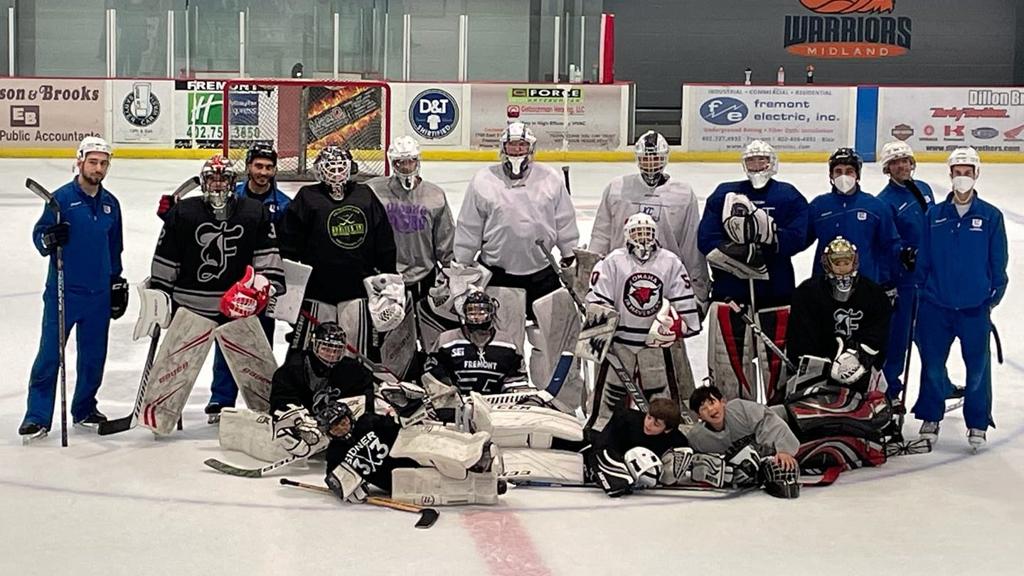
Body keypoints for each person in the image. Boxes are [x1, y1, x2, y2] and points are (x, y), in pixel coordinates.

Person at [149, 155, 285, 420]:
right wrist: (160, 294)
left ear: (233, 182)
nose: (218, 184)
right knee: (176, 365)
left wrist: (264, 286)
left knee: (255, 365)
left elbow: (267, 256)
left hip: (239, 306)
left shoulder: (254, 211)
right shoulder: (183, 211)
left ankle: (270, 410)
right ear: (203, 182)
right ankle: (161, 410)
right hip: (191, 305)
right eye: (212, 178)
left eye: (224, 178)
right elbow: (167, 257)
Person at [20, 137, 126, 441]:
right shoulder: (61, 200)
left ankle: (85, 409)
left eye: (103, 163)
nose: (98, 168)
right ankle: (37, 417)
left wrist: (115, 281)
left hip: (99, 296)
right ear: (80, 162)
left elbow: (115, 248)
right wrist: (49, 239)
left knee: (93, 358)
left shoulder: (111, 204)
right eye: (93, 162)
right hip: (64, 293)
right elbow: (40, 237)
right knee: (49, 356)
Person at [697, 140, 809, 404]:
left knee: (778, 372)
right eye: (752, 161)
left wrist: (770, 238)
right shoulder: (724, 194)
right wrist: (740, 253)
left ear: (772, 163)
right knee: (729, 370)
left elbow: (800, 236)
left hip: (776, 297)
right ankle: (734, 417)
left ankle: (779, 416)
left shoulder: (788, 195)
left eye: (762, 160)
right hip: (731, 298)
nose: (757, 166)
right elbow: (706, 239)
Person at [913, 147, 1008, 450]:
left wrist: (991, 297)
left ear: (976, 174)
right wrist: (923, 291)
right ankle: (930, 415)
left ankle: (978, 422)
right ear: (950, 174)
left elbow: (998, 264)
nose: (962, 177)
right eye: (958, 172)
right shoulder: (934, 215)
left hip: (973, 309)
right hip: (936, 307)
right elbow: (923, 260)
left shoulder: (990, 216)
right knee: (932, 365)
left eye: (967, 172)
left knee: (978, 368)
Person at [585, 213, 701, 430]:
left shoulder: (670, 261)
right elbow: (598, 298)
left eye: (647, 232)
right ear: (627, 235)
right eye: (637, 232)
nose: (643, 238)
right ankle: (603, 434)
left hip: (655, 345)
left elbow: (682, 299)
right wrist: (600, 330)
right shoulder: (612, 261)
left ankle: (665, 435)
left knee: (661, 397)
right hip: (620, 342)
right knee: (610, 398)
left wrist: (680, 324)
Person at [453, 121, 579, 320]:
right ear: (503, 147)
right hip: (497, 275)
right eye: (512, 145)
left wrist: (570, 254)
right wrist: (462, 261)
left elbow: (565, 220)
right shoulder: (483, 180)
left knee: (550, 331)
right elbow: (469, 226)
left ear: (531, 148)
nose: (517, 150)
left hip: (542, 272)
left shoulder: (550, 178)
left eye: (522, 145)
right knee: (503, 332)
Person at [277, 145, 397, 353]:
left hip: (358, 290)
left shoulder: (365, 195)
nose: (336, 173)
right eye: (330, 167)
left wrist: (388, 279)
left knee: (357, 353)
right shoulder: (307, 197)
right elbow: (288, 243)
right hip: (316, 292)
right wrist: (291, 287)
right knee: (311, 350)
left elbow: (384, 239)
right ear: (319, 170)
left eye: (340, 167)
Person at [207, 144, 293, 419]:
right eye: (258, 166)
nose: (263, 172)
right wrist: (172, 214)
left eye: (269, 167)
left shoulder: (284, 204)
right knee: (227, 337)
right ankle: (221, 399)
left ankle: (262, 398)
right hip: (231, 281)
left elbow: (289, 247)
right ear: (248, 167)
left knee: (260, 342)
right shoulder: (231, 196)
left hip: (263, 284)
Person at [590, 130, 710, 311]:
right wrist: (591, 276)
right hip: (620, 275)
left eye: (655, 159)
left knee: (665, 327)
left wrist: (698, 287)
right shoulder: (617, 189)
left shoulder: (683, 194)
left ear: (665, 158)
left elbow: (690, 245)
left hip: (667, 277)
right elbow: (601, 235)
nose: (651, 165)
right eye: (646, 159)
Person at [786, 237, 892, 394]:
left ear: (854, 262)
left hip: (861, 369)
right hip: (816, 374)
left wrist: (861, 357)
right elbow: (800, 339)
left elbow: (878, 334)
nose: (842, 268)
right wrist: (821, 364)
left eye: (846, 262)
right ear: (827, 264)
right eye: (837, 263)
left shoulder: (874, 295)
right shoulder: (807, 293)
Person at [875, 141, 936, 404]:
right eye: (895, 162)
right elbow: (886, 243)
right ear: (887, 168)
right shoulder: (884, 202)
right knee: (898, 341)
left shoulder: (924, 188)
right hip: (905, 282)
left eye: (905, 160)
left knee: (932, 339)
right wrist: (903, 254)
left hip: (931, 279)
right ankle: (890, 392)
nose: (902, 166)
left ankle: (940, 384)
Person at [366, 136, 455, 301]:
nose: (406, 167)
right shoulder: (374, 191)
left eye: (411, 161)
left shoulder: (434, 195)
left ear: (418, 160)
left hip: (424, 275)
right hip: (385, 276)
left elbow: (445, 238)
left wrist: (450, 270)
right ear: (393, 163)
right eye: (400, 162)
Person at [269, 322, 375, 458]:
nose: (331, 355)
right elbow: (280, 400)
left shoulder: (353, 369)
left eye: (337, 351)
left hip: (339, 433)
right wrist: (300, 419)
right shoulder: (294, 368)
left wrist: (348, 417)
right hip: (305, 425)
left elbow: (366, 399)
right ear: (314, 346)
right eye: (326, 349)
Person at [807, 147, 901, 289]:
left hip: (865, 284)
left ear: (857, 175)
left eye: (849, 171)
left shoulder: (875, 207)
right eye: (838, 171)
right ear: (831, 175)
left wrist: (886, 282)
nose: (843, 176)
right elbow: (800, 239)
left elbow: (890, 245)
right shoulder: (818, 206)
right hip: (824, 285)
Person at [687, 384, 800, 497]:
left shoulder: (740, 409)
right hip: (758, 460)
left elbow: (768, 421)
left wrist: (784, 450)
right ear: (699, 416)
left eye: (712, 402)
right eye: (703, 408)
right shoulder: (698, 438)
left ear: (722, 402)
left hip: (790, 426)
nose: (710, 409)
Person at [422, 290, 531, 396]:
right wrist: (446, 388)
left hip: (496, 403)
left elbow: (517, 380)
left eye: (481, 313)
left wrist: (513, 394)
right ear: (464, 314)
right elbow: (432, 372)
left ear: (492, 313)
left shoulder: (508, 343)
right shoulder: (446, 340)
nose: (476, 317)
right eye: (472, 312)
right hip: (456, 402)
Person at [586, 398, 690, 497]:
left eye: (656, 424)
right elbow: (600, 447)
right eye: (649, 417)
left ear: (667, 430)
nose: (649, 424)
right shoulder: (625, 419)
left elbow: (685, 450)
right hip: (606, 453)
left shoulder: (677, 439)